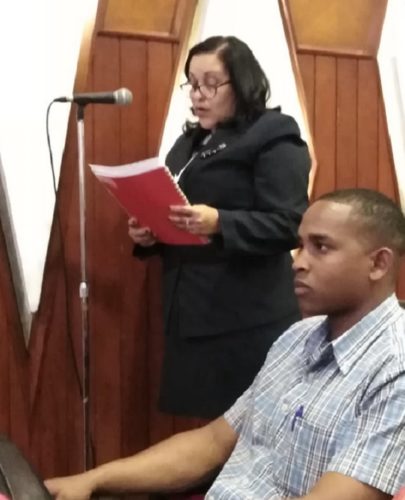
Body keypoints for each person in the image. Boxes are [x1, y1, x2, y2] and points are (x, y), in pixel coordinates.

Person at [45, 188, 405, 499]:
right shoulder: (296, 338)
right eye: (300, 246)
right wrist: (93, 479)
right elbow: (214, 442)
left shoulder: (395, 367)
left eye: (321, 247)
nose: (298, 263)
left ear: (378, 263)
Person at [128, 35, 310, 418]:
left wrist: (219, 222)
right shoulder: (188, 142)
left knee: (244, 433)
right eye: (193, 84)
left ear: (242, 84)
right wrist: (150, 234)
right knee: (203, 434)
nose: (198, 95)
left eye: (211, 84)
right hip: (189, 313)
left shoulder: (273, 133)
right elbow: (179, 213)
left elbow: (290, 223)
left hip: (246, 318)